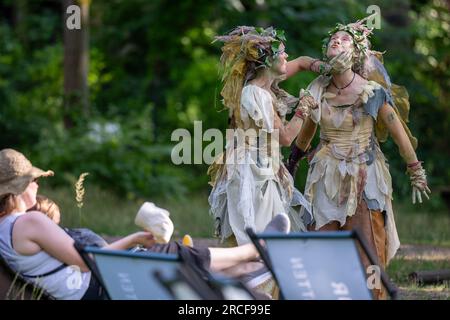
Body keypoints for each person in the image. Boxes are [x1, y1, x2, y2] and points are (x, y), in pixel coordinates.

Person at [0, 148, 289, 300]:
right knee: (171, 253)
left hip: (90, 289)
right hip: (100, 286)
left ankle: (243, 270)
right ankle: (252, 253)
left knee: (168, 259)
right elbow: (88, 262)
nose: (37, 185)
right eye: (33, 180)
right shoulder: (29, 222)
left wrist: (133, 242)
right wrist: (135, 239)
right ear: (16, 190)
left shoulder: (5, 230)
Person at [286, 15, 431, 298]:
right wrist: (291, 162)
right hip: (326, 174)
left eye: (344, 40)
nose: (336, 41)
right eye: (332, 40)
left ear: (355, 52)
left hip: (364, 175)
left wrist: (415, 169)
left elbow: (397, 130)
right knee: (320, 243)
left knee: (367, 248)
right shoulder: (318, 88)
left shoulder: (371, 91)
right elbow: (308, 129)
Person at [208, 26, 349, 246]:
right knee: (259, 235)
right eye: (281, 52)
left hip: (264, 166)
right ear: (267, 61)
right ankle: (249, 275)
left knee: (267, 232)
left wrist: (328, 68)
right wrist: (303, 108)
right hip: (253, 172)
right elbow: (285, 138)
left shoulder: (265, 86)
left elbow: (302, 61)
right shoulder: (256, 93)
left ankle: (260, 276)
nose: (286, 56)